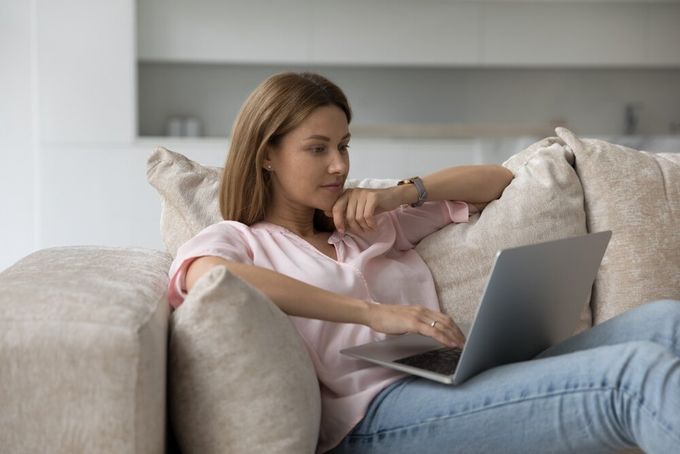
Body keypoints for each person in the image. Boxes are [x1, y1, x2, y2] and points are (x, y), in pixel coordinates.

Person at [167, 72, 680, 454]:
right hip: (375, 417)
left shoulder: (370, 222)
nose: (340, 165)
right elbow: (210, 275)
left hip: (456, 378)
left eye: (343, 146)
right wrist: (370, 314)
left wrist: (401, 194)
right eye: (317, 148)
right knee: (632, 376)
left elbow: (499, 183)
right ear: (267, 155)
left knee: (667, 321)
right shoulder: (239, 239)